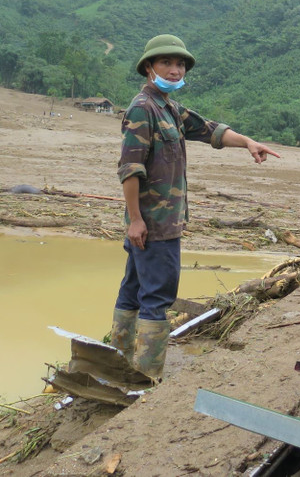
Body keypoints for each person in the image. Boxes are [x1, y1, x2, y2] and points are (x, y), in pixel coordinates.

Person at [111, 34, 279, 380]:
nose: (175, 70)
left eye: (180, 64)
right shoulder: (144, 109)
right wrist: (137, 220)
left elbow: (210, 130)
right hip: (154, 224)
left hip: (157, 222)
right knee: (157, 296)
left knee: (132, 288)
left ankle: (120, 361)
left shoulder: (169, 107)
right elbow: (130, 169)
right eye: (166, 63)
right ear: (148, 67)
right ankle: (146, 377)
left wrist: (247, 142)